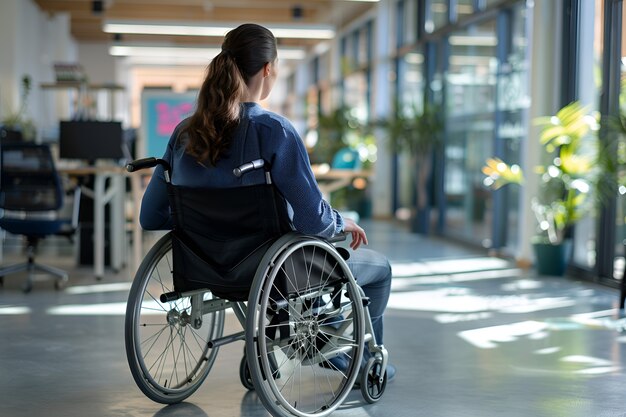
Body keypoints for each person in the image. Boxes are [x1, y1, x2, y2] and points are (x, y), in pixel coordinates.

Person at [139, 23, 394, 380]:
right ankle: (365, 361)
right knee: (378, 269)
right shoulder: (275, 131)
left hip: (202, 265)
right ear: (268, 69)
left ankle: (298, 344)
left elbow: (151, 216)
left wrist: (207, 226)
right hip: (275, 272)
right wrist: (340, 222)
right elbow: (312, 223)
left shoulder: (184, 134)